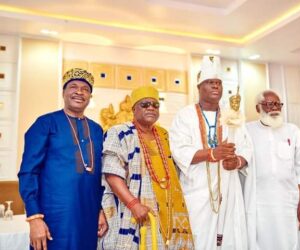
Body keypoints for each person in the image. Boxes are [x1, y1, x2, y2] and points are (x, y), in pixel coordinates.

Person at [18, 68, 108, 250]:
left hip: (89, 218)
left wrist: (101, 210)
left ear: (90, 96)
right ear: (64, 93)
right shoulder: (45, 123)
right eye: (73, 87)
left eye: (85, 89)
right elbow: (28, 172)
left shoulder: (97, 130)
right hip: (53, 218)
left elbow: (101, 176)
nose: (79, 92)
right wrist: (34, 218)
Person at [169, 56, 252, 250]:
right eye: (210, 82)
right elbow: (179, 150)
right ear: (199, 87)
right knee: (199, 238)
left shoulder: (233, 115)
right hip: (197, 190)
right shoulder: (185, 115)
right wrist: (212, 154)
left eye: (218, 83)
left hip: (229, 188)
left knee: (230, 237)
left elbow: (247, 146)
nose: (216, 86)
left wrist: (238, 161)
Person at [100, 86, 194, 250]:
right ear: (134, 109)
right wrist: (134, 204)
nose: (151, 108)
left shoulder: (165, 136)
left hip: (168, 212)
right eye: (145, 105)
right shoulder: (120, 133)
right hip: (134, 211)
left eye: (155, 105)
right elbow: (112, 174)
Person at [243, 90, 300, 250]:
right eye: (269, 104)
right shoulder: (247, 130)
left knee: (288, 242)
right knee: (260, 242)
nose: (274, 108)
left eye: (278, 104)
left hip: (287, 200)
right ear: (257, 107)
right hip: (258, 201)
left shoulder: (293, 131)